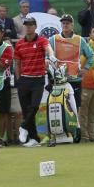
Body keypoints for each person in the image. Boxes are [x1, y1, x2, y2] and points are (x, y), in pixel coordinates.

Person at [14, 16, 56, 147]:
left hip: (38, 79)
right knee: (26, 111)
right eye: (27, 25)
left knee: (34, 106)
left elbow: (48, 48)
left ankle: (23, 127)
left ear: (35, 26)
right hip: (24, 80)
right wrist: (19, 79)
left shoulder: (42, 40)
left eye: (31, 25)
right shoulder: (20, 43)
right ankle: (34, 139)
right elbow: (17, 63)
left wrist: (51, 55)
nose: (29, 27)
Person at [48, 14, 94, 112]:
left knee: (74, 108)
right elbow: (47, 57)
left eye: (68, 23)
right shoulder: (53, 39)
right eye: (63, 23)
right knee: (57, 107)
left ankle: (75, 126)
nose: (65, 25)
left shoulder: (80, 40)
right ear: (61, 24)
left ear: (72, 25)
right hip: (57, 80)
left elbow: (91, 55)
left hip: (75, 79)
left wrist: (86, 68)